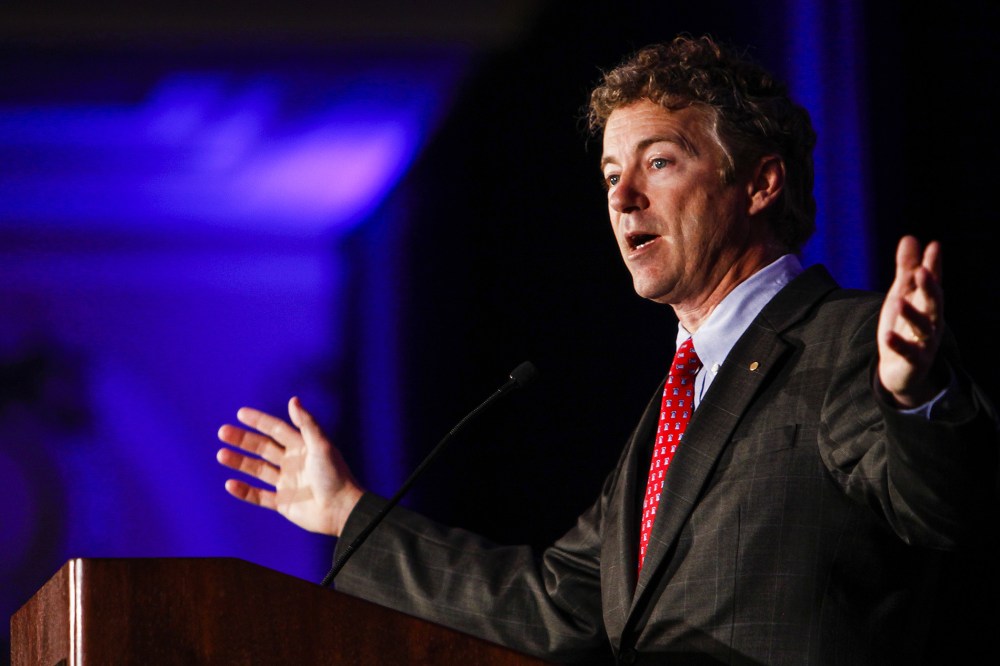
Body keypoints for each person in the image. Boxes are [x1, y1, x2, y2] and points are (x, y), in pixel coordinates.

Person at [216, 36, 997, 665]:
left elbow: (944, 509)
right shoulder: (678, 401)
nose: (623, 198)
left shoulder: (846, 340)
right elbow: (558, 605)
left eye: (659, 162)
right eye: (613, 174)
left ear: (759, 184)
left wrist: (913, 399)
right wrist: (348, 513)